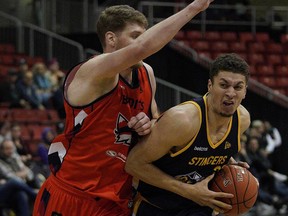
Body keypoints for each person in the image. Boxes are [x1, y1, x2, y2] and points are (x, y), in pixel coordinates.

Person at [33, 1, 214, 215]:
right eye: (136, 35)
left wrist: (149, 124)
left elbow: (155, 123)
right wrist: (194, 8)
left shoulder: (147, 74)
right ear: (111, 38)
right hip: (73, 192)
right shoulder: (92, 71)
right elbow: (142, 48)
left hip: (117, 199)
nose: (144, 41)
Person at [125, 53, 251, 216]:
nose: (231, 93)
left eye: (238, 87)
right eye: (224, 85)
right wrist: (188, 191)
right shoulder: (182, 120)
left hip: (198, 208)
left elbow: (205, 152)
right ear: (210, 86)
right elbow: (133, 164)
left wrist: (226, 163)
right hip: (157, 207)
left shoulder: (243, 120)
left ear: (245, 91)